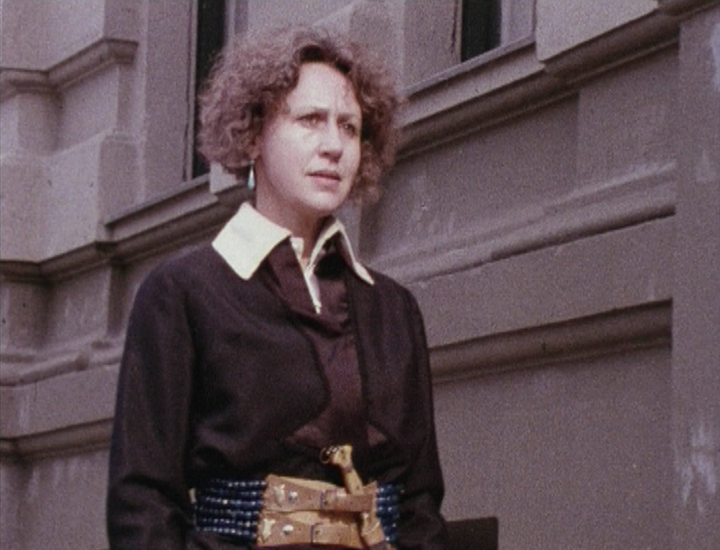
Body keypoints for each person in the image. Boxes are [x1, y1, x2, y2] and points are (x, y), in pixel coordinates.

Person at [106, 25, 448, 550]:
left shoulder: (393, 308)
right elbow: (143, 504)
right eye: (310, 120)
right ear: (252, 136)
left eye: (350, 127)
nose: (333, 146)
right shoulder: (182, 292)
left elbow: (420, 505)